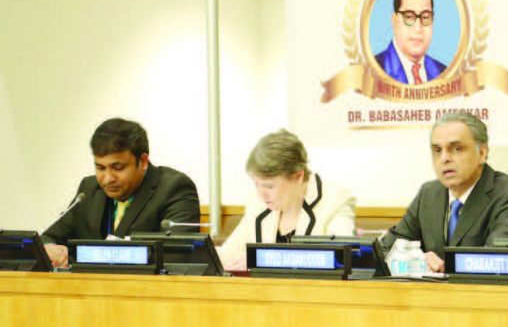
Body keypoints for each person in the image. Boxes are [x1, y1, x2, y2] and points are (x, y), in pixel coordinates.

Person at [381, 112, 508, 272]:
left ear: (482, 153)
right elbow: (385, 250)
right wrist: (415, 261)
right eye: (437, 150)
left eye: (456, 148)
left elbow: (498, 264)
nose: (444, 158)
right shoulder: (429, 194)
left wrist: (440, 268)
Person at [41, 118, 200, 268]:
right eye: (100, 168)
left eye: (118, 168)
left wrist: (83, 256)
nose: (108, 178)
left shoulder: (174, 188)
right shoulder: (89, 189)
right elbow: (50, 236)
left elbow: (175, 254)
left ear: (143, 162)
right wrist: (50, 249)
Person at [218, 129, 357, 271]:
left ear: (298, 177)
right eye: (256, 184)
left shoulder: (335, 199)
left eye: (269, 186)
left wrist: (261, 259)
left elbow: (340, 258)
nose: (261, 194)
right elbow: (226, 256)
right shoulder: (258, 204)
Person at [374, 0, 448, 85]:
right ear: (394, 21)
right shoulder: (373, 71)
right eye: (409, 16)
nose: (418, 27)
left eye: (425, 16)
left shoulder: (444, 73)